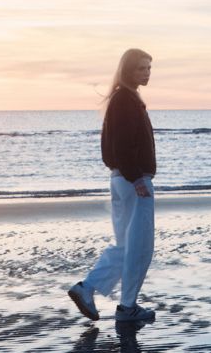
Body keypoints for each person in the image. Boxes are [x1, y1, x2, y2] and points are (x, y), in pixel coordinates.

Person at [68, 48, 158, 324]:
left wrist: (129, 175)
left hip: (122, 180)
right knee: (140, 248)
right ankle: (125, 306)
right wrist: (136, 177)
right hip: (133, 182)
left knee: (127, 246)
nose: (147, 73)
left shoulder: (124, 99)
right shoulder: (125, 100)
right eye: (141, 68)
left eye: (149, 68)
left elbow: (113, 147)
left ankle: (89, 290)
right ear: (128, 70)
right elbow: (120, 144)